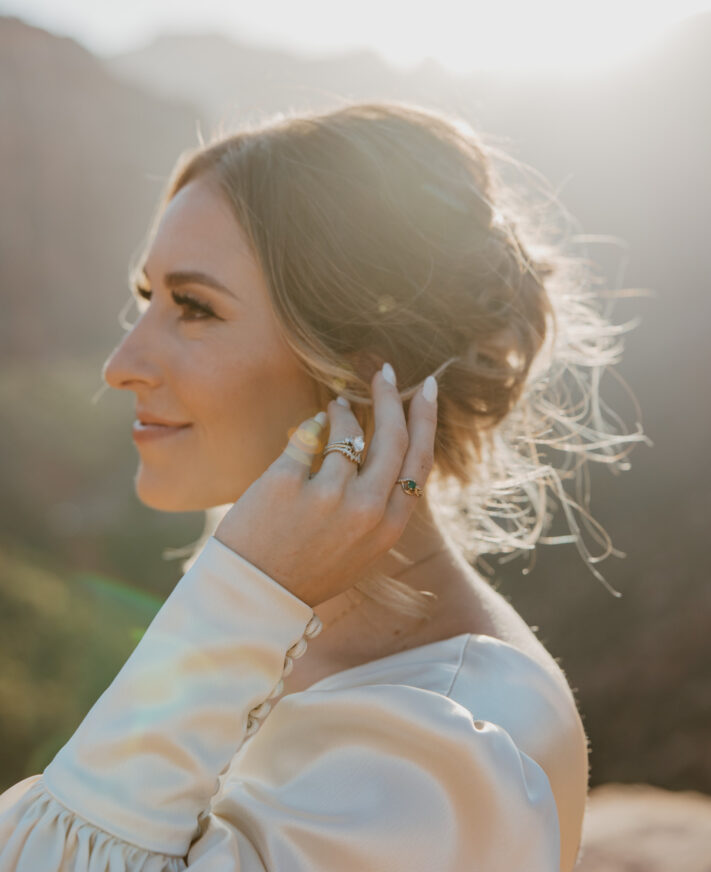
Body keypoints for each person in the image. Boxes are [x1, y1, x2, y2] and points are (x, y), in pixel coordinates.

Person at [0, 100, 644, 870]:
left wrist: (235, 599)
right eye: (148, 298)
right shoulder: (280, 624)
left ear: (367, 372)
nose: (121, 364)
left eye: (195, 308)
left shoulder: (441, 753)